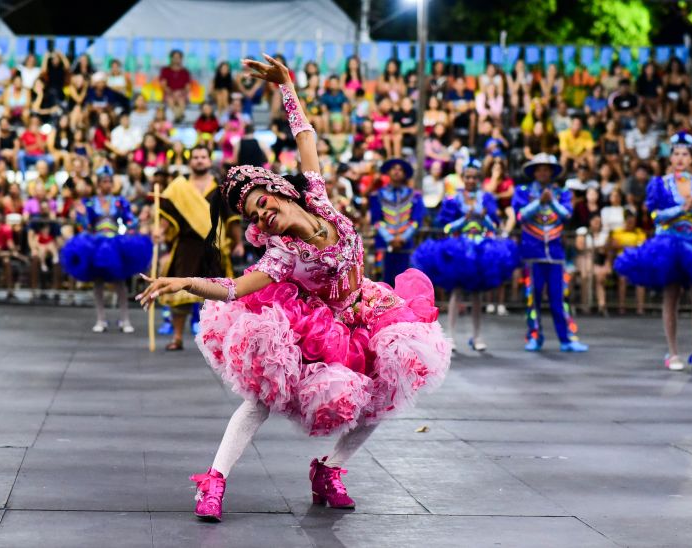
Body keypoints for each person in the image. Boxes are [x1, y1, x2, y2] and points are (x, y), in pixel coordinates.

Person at [136, 54, 450, 523]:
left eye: (262, 203)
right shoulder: (283, 256)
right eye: (252, 215)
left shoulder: (319, 199)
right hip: (319, 327)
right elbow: (234, 288)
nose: (261, 215)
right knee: (260, 399)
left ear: (280, 191)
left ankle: (331, 471)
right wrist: (185, 282)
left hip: (367, 308)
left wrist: (287, 85)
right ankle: (214, 481)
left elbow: (305, 136)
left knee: (388, 388)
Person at [615, 132, 692, 371]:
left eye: (685, 154)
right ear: (670, 158)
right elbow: (655, 215)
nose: (681, 158)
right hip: (670, 246)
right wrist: (680, 209)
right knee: (671, 297)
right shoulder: (661, 184)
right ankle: (673, 353)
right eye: (676, 154)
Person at [413, 158, 517, 352]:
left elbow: (494, 226)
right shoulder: (453, 200)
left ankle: (477, 336)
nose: (471, 180)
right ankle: (450, 336)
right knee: (457, 292)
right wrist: (464, 220)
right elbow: (445, 227)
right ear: (463, 178)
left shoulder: (486, 199)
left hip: (480, 251)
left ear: (479, 179)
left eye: (475, 177)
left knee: (477, 296)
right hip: (459, 249)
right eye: (468, 177)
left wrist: (484, 218)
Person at [155, 145, 244, 351]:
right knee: (180, 294)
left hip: (214, 246)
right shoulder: (178, 188)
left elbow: (231, 219)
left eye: (203, 157)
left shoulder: (220, 188)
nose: (199, 160)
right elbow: (168, 215)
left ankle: (222, 340)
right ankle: (177, 337)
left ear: (209, 160)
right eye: (196, 157)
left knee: (220, 295)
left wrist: (238, 242)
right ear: (190, 161)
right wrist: (160, 230)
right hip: (186, 246)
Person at [60, 165, 152, 333]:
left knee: (120, 282)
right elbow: (85, 225)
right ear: (98, 183)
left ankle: (124, 319)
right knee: (98, 282)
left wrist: (139, 221)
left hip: (115, 244)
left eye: (110, 181)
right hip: (96, 244)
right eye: (104, 181)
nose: (108, 184)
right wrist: (80, 215)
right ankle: (101, 319)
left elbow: (129, 221)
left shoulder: (119, 201)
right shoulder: (90, 202)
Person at [512, 153, 588, 352]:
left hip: (555, 255)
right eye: (540, 169)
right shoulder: (523, 191)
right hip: (532, 254)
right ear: (534, 172)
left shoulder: (562, 193)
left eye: (547, 169)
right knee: (533, 297)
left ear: (552, 172)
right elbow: (520, 216)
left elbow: (567, 215)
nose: (543, 172)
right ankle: (534, 337)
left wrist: (551, 201)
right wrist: (539, 202)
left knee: (560, 298)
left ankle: (567, 339)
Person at [369, 158, 424, 285]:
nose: (397, 172)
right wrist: (390, 238)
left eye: (400, 169)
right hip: (384, 245)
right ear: (388, 172)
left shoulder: (415, 196)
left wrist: (402, 238)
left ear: (405, 174)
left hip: (406, 246)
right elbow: (376, 221)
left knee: (406, 282)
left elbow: (416, 221)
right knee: (383, 284)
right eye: (393, 169)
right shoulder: (377, 195)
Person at [159, 50, 191, 123]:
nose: (176, 59)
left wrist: (180, 92)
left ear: (181, 59)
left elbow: (187, 87)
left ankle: (176, 118)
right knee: (170, 100)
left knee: (181, 101)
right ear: (171, 58)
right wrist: (172, 93)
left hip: (181, 94)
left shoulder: (185, 72)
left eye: (178, 57)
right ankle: (179, 117)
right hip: (169, 94)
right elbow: (163, 85)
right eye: (174, 57)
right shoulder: (165, 70)